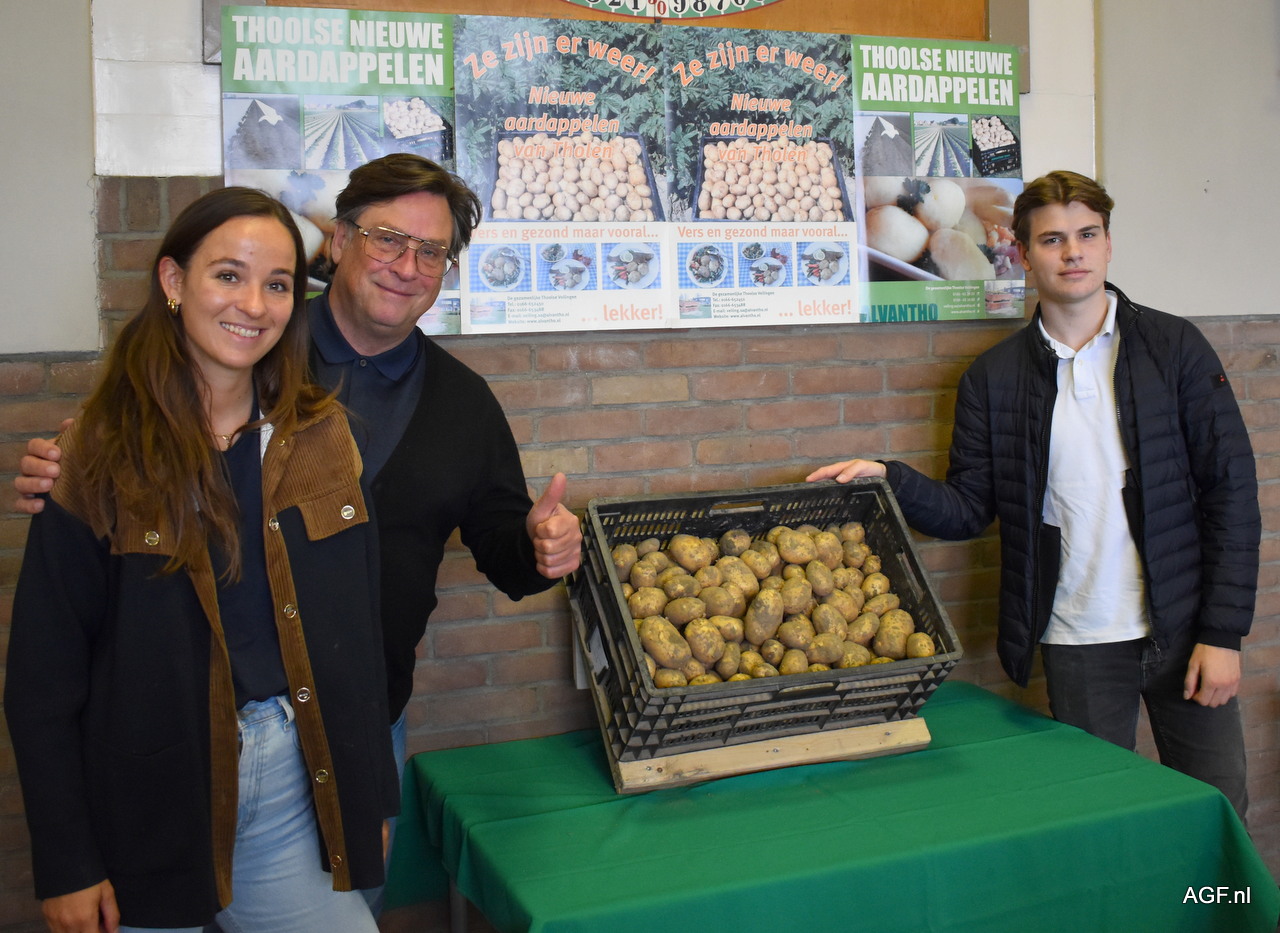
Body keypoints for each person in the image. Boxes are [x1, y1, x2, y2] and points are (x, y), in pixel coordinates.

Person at [13, 154, 583, 909]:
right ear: (338, 242)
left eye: (432, 252)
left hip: (346, 726)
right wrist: (74, 464)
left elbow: (497, 551)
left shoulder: (453, 406)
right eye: (387, 239)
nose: (407, 266)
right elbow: (52, 658)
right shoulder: (239, 353)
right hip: (168, 741)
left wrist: (542, 550)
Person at [807, 170, 1259, 819]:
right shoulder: (992, 379)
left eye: (1087, 235)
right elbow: (969, 508)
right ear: (1021, 253)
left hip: (1187, 632)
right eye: (1052, 239)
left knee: (1220, 813)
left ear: (1108, 244)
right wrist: (890, 478)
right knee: (1102, 820)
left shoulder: (1174, 347)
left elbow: (1230, 494)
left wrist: (1222, 635)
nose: (1073, 252)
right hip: (1079, 640)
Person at [5, 187, 398, 933]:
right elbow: (41, 683)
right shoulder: (96, 453)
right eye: (227, 275)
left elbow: (357, 638)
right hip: (149, 801)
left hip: (290, 785)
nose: (253, 304)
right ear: (173, 281)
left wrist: (367, 797)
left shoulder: (324, 438)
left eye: (277, 284)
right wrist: (68, 863)